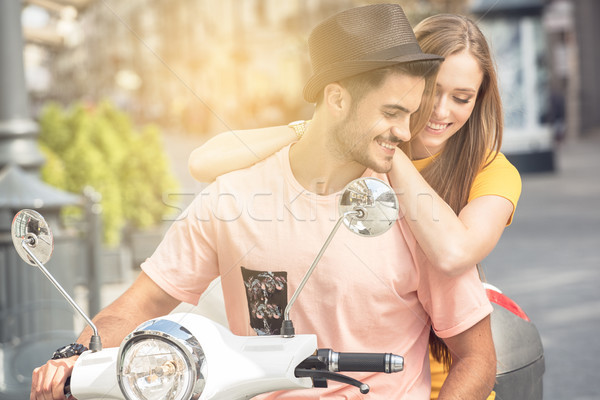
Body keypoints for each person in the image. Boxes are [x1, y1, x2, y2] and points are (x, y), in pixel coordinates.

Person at [30, 5, 496, 400]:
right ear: (336, 99)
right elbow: (142, 302)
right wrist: (74, 358)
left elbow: (477, 357)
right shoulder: (233, 196)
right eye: (392, 112)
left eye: (410, 114)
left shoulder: (417, 213)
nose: (405, 131)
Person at [188, 13, 520, 400]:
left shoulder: (491, 169)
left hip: (445, 379)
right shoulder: (352, 137)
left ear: (479, 100)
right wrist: (311, 129)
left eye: (462, 98)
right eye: (430, 90)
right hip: (354, 375)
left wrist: (384, 144)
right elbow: (203, 162)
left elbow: (453, 252)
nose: (441, 111)